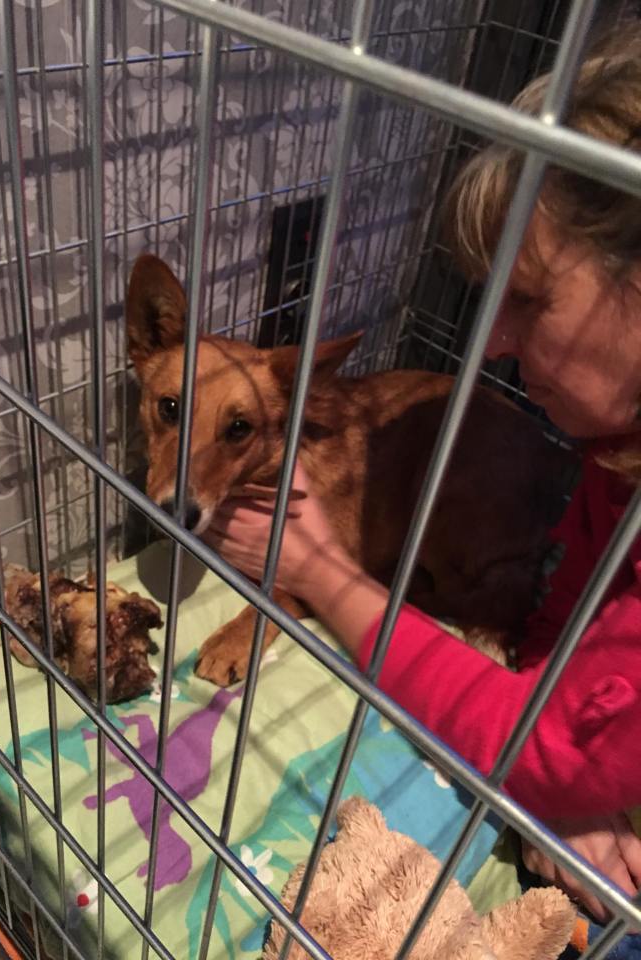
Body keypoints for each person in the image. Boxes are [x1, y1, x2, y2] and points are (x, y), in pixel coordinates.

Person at [203, 26, 641, 920]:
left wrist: (318, 571)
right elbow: (563, 614)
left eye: (528, 299)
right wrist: (564, 773)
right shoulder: (609, 454)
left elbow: (540, 740)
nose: (495, 342)